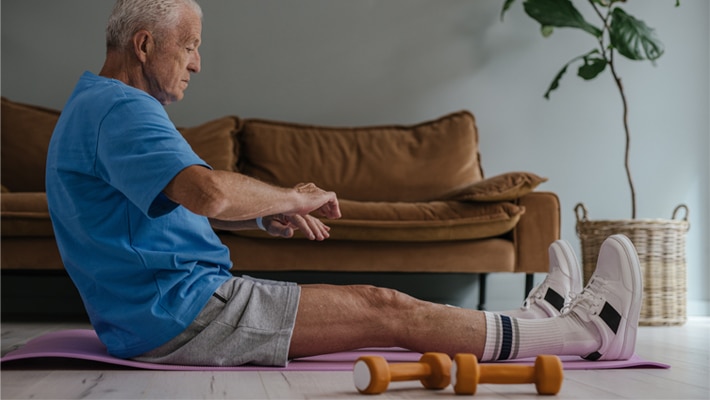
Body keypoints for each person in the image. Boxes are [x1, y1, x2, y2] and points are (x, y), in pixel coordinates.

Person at [46, 0, 643, 367]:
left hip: (158, 313)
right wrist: (295, 197)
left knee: (383, 305)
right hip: (181, 316)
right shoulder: (124, 110)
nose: (197, 62)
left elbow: (176, 207)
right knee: (386, 307)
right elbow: (210, 194)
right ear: (145, 44)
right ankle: (583, 333)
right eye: (191, 46)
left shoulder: (93, 106)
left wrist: (261, 217)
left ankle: (535, 323)